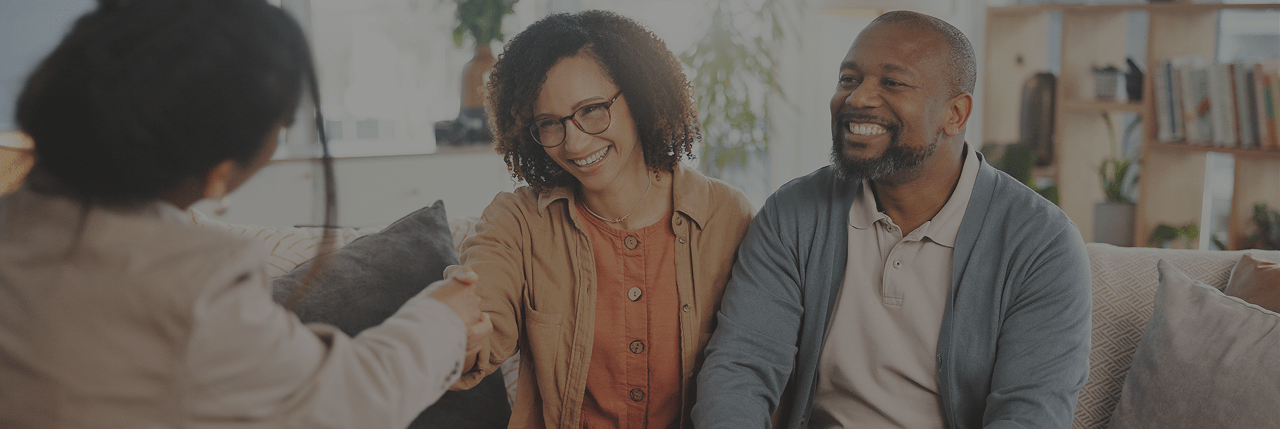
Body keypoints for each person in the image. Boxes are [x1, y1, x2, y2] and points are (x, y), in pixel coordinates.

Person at [0, 0, 490, 428]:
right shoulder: (196, 281)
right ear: (219, 171)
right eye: (282, 124)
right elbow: (342, 403)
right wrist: (443, 319)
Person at [693, 11, 1092, 429]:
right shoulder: (793, 212)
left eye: (892, 82)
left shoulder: (1043, 244)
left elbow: (1029, 414)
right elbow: (740, 369)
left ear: (955, 113)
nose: (858, 99)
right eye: (848, 79)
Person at [450, 10, 755, 429]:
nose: (574, 142)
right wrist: (452, 331)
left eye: (592, 110)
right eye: (550, 124)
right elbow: (482, 316)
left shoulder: (727, 216)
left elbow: (756, 369)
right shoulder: (517, 221)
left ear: (640, 94)